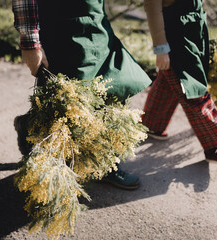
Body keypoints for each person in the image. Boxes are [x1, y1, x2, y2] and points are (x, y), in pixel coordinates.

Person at [12, 0, 152, 189]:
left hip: (97, 25)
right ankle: (30, 127)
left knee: (116, 86)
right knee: (67, 103)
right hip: (61, 28)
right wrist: (30, 43)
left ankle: (104, 164)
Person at [141, 0, 217, 165]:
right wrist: (161, 48)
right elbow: (152, 7)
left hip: (194, 27)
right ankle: (212, 148)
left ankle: (152, 125)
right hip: (176, 32)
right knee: (191, 87)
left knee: (170, 79)